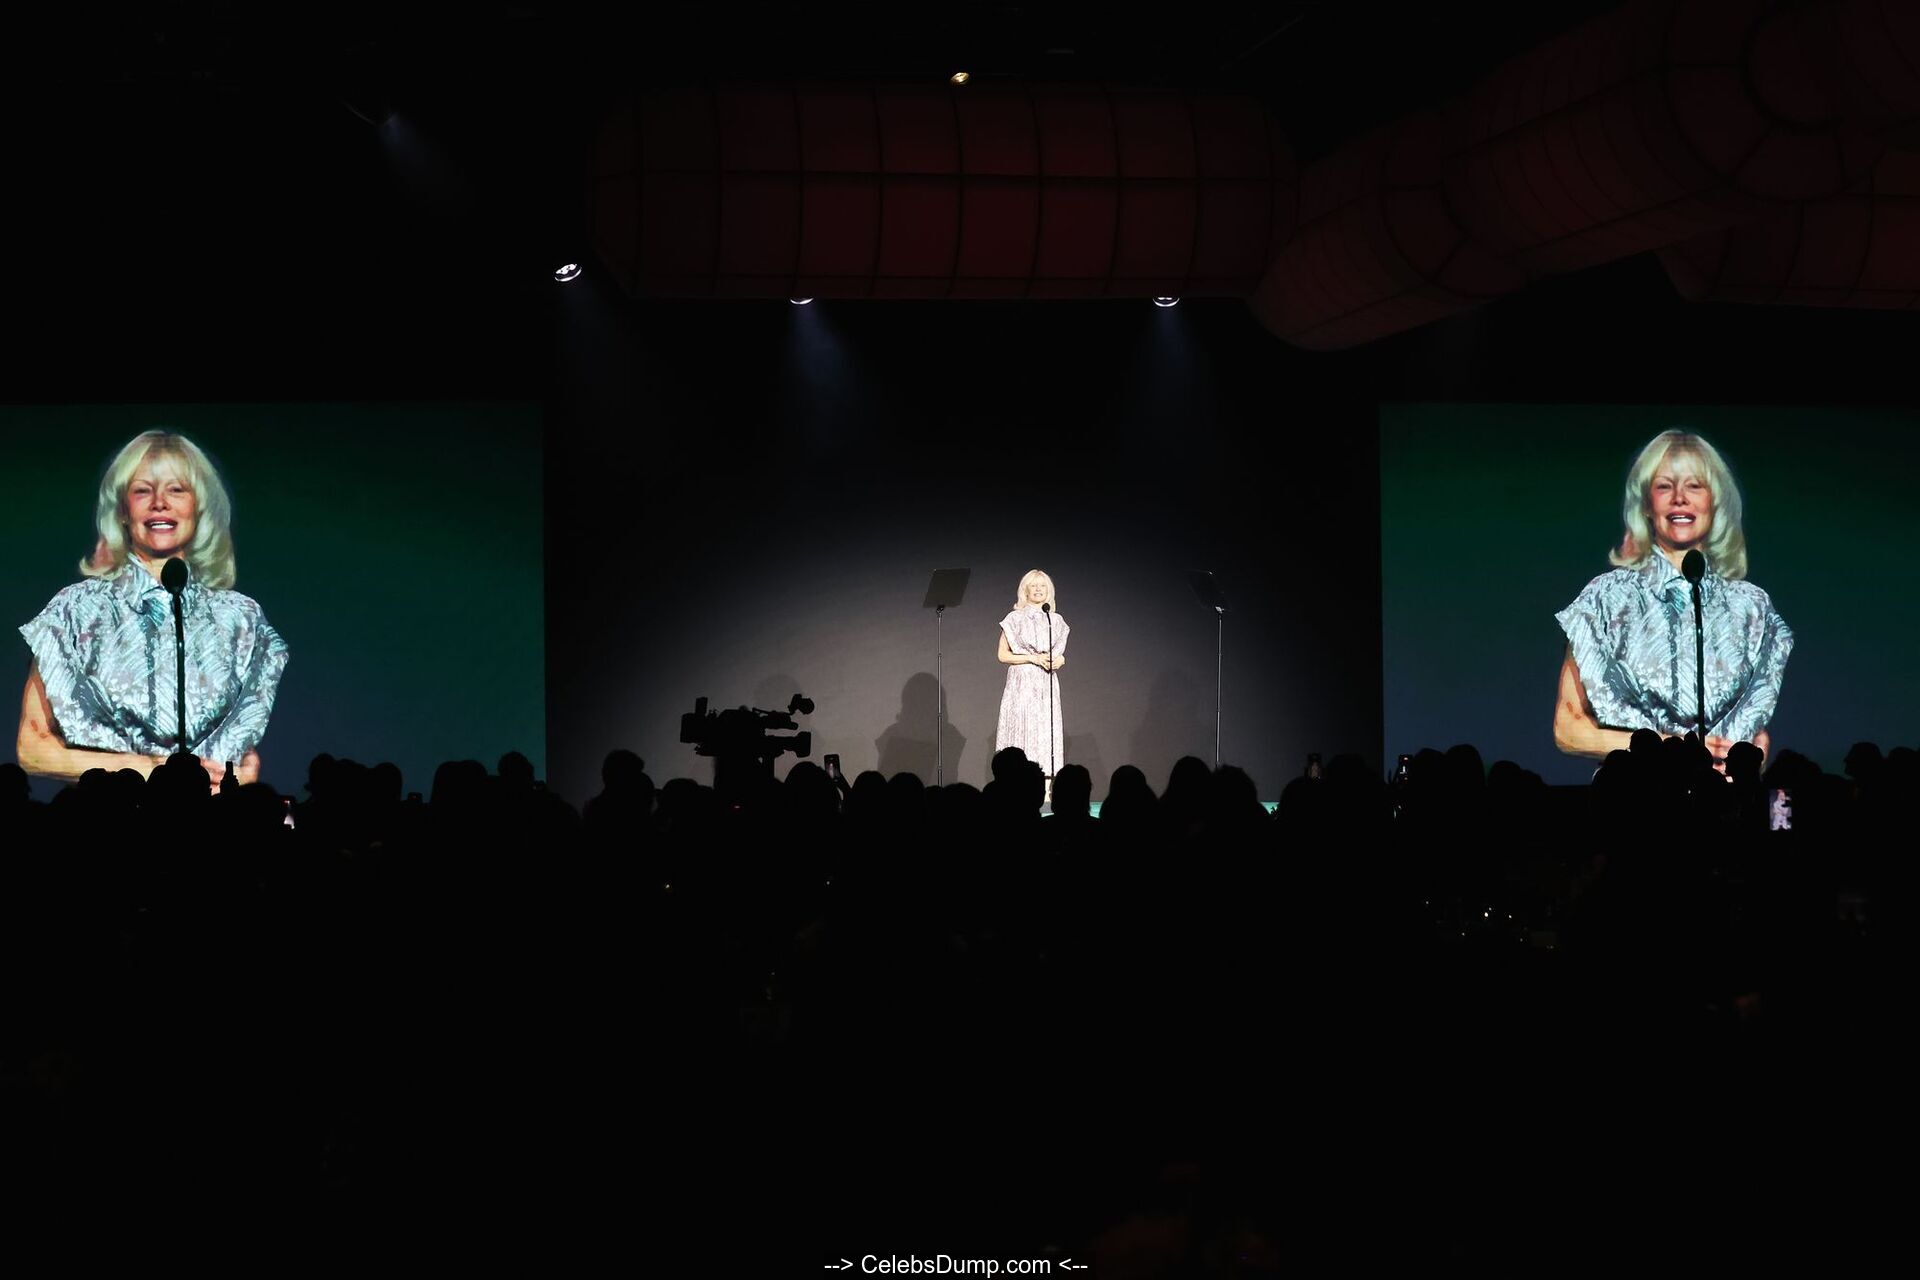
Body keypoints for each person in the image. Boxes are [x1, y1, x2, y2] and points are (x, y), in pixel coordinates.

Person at [15, 430, 289, 789]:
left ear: (200, 508)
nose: (160, 502)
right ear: (122, 511)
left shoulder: (241, 619)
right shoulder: (75, 611)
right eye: (143, 490)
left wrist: (242, 776)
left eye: (176, 489)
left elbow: (243, 750)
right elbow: (33, 749)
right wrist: (147, 770)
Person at [1553, 429, 1790, 768]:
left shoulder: (1752, 607)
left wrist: (1747, 761)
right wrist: (1671, 749)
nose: (1680, 498)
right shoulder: (1605, 599)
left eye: (1694, 485)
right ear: (1646, 504)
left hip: (1723, 796)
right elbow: (1568, 728)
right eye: (1664, 486)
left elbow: (1756, 730)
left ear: (1715, 501)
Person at [995, 569, 1069, 795]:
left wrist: (1060, 660)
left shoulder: (1056, 620)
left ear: (1049, 591)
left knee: (1045, 731)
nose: (1038, 589)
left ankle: (1045, 789)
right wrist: (1032, 658)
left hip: (1046, 682)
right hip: (1022, 681)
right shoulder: (1014, 618)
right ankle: (1014, 787)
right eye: (1034, 585)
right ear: (1025, 590)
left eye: (1042, 586)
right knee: (1023, 728)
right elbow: (1002, 655)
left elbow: (1060, 655)